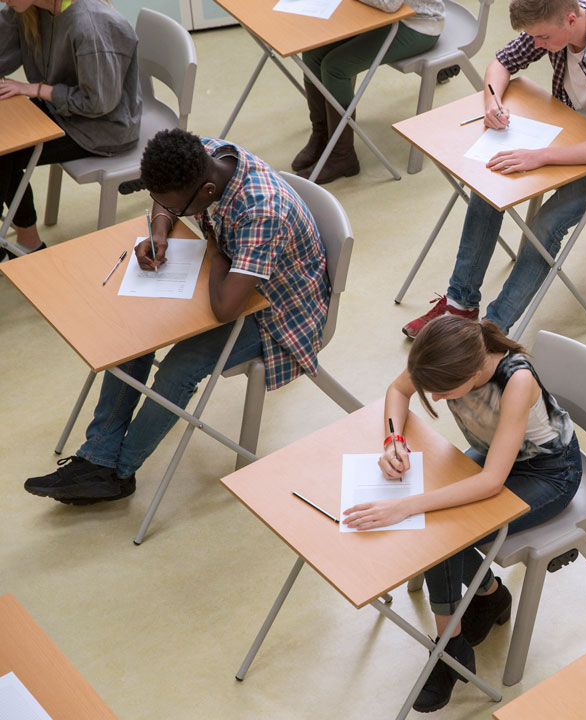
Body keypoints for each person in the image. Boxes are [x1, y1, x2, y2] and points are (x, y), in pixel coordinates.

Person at [24, 129, 329, 505]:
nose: (166, 207)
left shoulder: (261, 211)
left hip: (279, 312)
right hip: (232, 278)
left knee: (182, 367)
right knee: (134, 330)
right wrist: (160, 229)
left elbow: (226, 308)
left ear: (206, 193)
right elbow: (166, 204)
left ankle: (118, 472)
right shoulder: (203, 154)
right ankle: (98, 458)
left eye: (176, 206)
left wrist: (217, 254)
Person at [402, 0, 586, 338]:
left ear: (571, 19)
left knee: (548, 222)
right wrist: (493, 103)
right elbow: (500, 63)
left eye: (543, 38)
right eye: (532, 37)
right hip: (572, 134)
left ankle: (492, 332)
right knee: (489, 185)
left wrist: (541, 156)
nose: (537, 45)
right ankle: (460, 305)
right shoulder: (548, 24)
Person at [343, 315, 581, 712]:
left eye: (443, 392)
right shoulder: (446, 355)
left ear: (474, 373)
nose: (435, 399)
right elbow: (397, 391)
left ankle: (449, 650)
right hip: (497, 457)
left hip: (549, 473)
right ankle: (487, 596)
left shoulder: (517, 382)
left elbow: (490, 482)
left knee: (441, 535)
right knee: (435, 526)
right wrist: (393, 441)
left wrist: (403, 505)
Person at [0, 0, 140, 257]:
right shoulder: (30, 9)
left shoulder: (89, 23)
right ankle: (24, 241)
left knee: (5, 151)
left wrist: (37, 90)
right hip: (63, 109)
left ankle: (28, 244)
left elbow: (100, 102)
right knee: (5, 138)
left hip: (102, 127)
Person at [291, 0, 445, 184]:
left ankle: (342, 155)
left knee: (336, 68)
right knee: (312, 52)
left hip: (417, 23)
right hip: (376, 14)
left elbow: (389, 4)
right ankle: (322, 135)